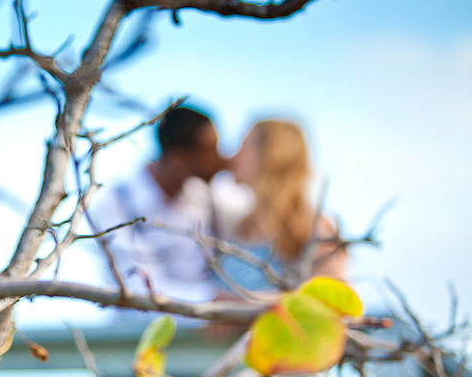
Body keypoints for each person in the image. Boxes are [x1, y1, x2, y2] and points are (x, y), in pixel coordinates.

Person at [89, 105, 251, 303]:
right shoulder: (115, 203)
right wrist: (212, 300)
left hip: (207, 329)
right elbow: (134, 288)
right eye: (210, 151)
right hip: (139, 330)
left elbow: (260, 217)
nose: (220, 159)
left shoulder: (207, 197)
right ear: (179, 159)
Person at [221, 118, 348, 291]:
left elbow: (334, 303)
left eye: (245, 146)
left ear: (271, 155)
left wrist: (244, 306)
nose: (233, 157)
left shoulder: (312, 228)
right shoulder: (237, 225)